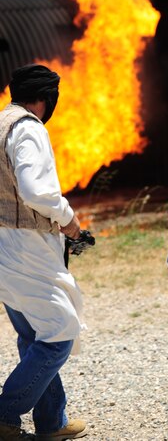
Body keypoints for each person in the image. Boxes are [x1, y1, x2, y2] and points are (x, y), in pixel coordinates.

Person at [0, 65, 87, 441]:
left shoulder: (1, 121)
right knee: (60, 332)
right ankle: (4, 412)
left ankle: (52, 422)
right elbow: (37, 192)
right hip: (26, 248)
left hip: (4, 246)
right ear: (46, 99)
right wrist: (68, 219)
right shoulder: (29, 129)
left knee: (34, 333)